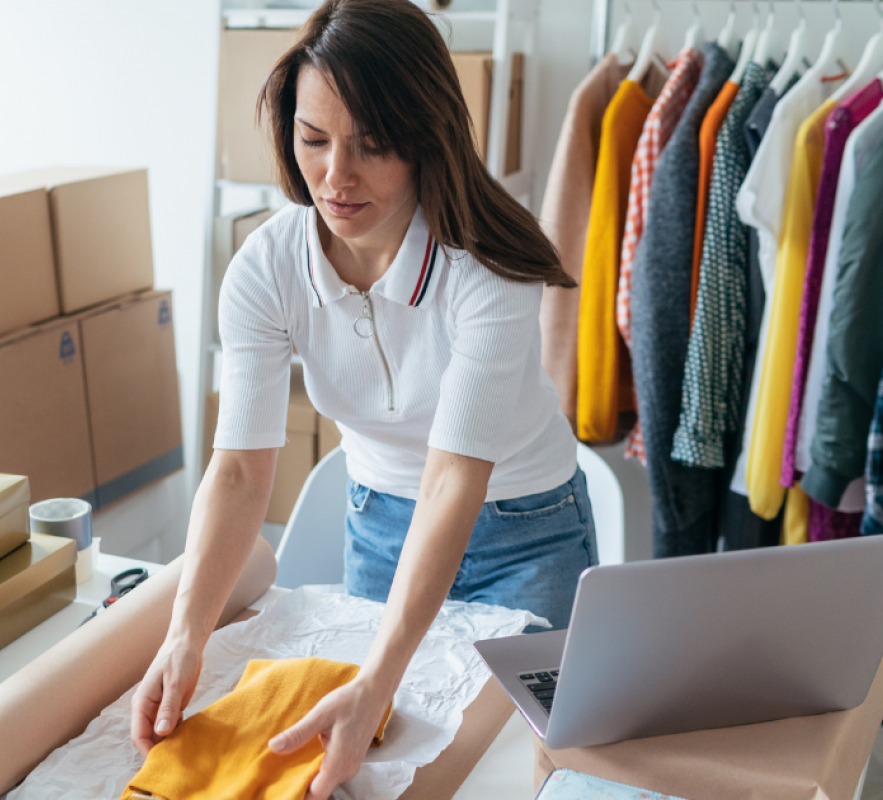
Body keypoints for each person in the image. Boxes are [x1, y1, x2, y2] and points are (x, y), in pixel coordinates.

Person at [131, 0, 595, 795]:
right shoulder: (266, 267)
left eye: (372, 147)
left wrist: (380, 673)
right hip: (380, 526)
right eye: (314, 140)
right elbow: (240, 472)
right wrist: (184, 634)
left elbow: (456, 476)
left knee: (519, 772)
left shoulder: (485, 268)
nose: (335, 178)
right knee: (374, 760)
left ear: (425, 141)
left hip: (527, 533)